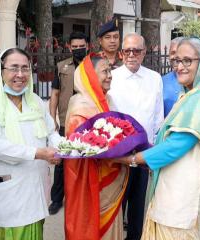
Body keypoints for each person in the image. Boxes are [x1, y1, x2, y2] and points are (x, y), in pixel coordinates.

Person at [112, 37, 200, 240]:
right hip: (180, 192)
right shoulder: (193, 94)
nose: (179, 67)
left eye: (188, 61)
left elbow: (174, 146)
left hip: (184, 202)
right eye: (177, 60)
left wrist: (129, 159)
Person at [0, 48, 62, 240]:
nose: (20, 75)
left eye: (25, 68)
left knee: (33, 227)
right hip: (7, 189)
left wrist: (67, 148)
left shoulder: (36, 101)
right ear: (2, 71)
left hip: (35, 185)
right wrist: (39, 153)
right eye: (14, 68)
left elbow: (50, 132)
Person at [64, 53, 127, 240]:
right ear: (90, 76)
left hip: (111, 179)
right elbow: (80, 146)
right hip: (90, 182)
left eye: (110, 70)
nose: (110, 75)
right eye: (104, 71)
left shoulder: (108, 100)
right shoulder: (80, 105)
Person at [108, 33, 164, 240]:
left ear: (144, 53)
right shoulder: (112, 77)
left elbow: (158, 116)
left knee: (138, 203)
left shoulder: (154, 78)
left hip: (144, 151)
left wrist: (154, 149)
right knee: (117, 203)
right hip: (117, 153)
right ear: (121, 53)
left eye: (137, 50)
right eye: (127, 50)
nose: (132, 55)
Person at [48, 31, 89, 215]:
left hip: (87, 122)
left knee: (86, 162)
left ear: (87, 46)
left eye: (82, 47)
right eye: (75, 47)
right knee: (61, 163)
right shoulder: (62, 66)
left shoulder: (93, 65)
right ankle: (57, 199)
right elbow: (55, 94)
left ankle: (82, 199)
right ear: (69, 47)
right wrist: (52, 119)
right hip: (66, 121)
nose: (78, 50)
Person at [162, 37, 183, 117]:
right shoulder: (161, 81)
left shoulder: (197, 81)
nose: (175, 57)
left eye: (179, 52)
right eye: (173, 52)